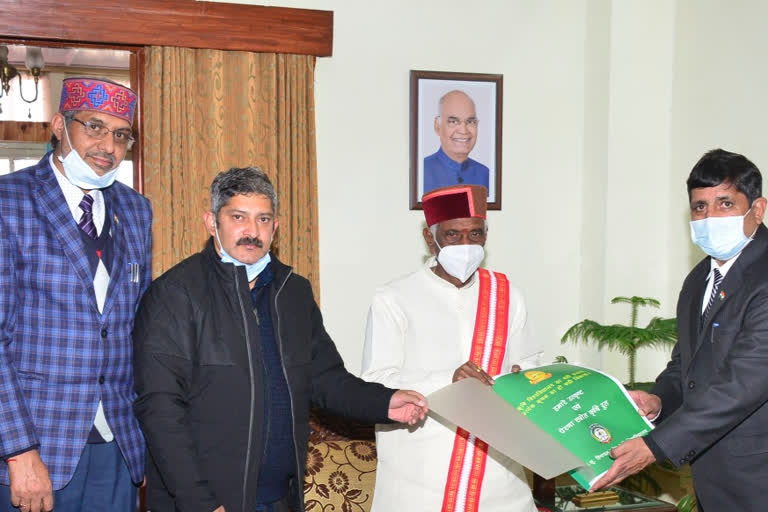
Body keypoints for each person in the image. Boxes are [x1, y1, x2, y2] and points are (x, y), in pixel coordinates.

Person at [133, 167, 428, 512]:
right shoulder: (175, 295)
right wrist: (199, 502)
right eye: (238, 217)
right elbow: (161, 409)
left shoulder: (294, 293)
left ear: (276, 227)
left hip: (280, 499)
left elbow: (326, 380)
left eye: (263, 219)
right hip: (207, 502)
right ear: (212, 222)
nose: (252, 232)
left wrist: (385, 401)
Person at [0, 77, 151, 512]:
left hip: (118, 446)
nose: (109, 145)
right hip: (37, 449)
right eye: (95, 127)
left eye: (121, 134)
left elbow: (136, 325)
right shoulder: (10, 201)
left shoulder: (136, 209)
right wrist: (19, 451)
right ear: (59, 125)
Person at [591, 149, 768, 511]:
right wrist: (659, 400)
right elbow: (684, 365)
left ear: (758, 209)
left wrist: (655, 447)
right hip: (713, 478)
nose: (709, 217)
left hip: (758, 477)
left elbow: (744, 385)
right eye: (699, 207)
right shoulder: (699, 278)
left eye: (724, 204)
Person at [361, 184, 538, 512]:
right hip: (420, 476)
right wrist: (447, 380)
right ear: (431, 239)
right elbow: (375, 383)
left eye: (476, 234)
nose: (467, 244)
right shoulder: (394, 297)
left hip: (497, 477)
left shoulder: (507, 294)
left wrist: (524, 380)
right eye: (454, 235)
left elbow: (527, 365)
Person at [423, 90, 490, 194]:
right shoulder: (422, 172)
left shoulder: (485, 174)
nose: (463, 131)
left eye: (470, 122)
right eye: (453, 121)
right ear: (437, 126)